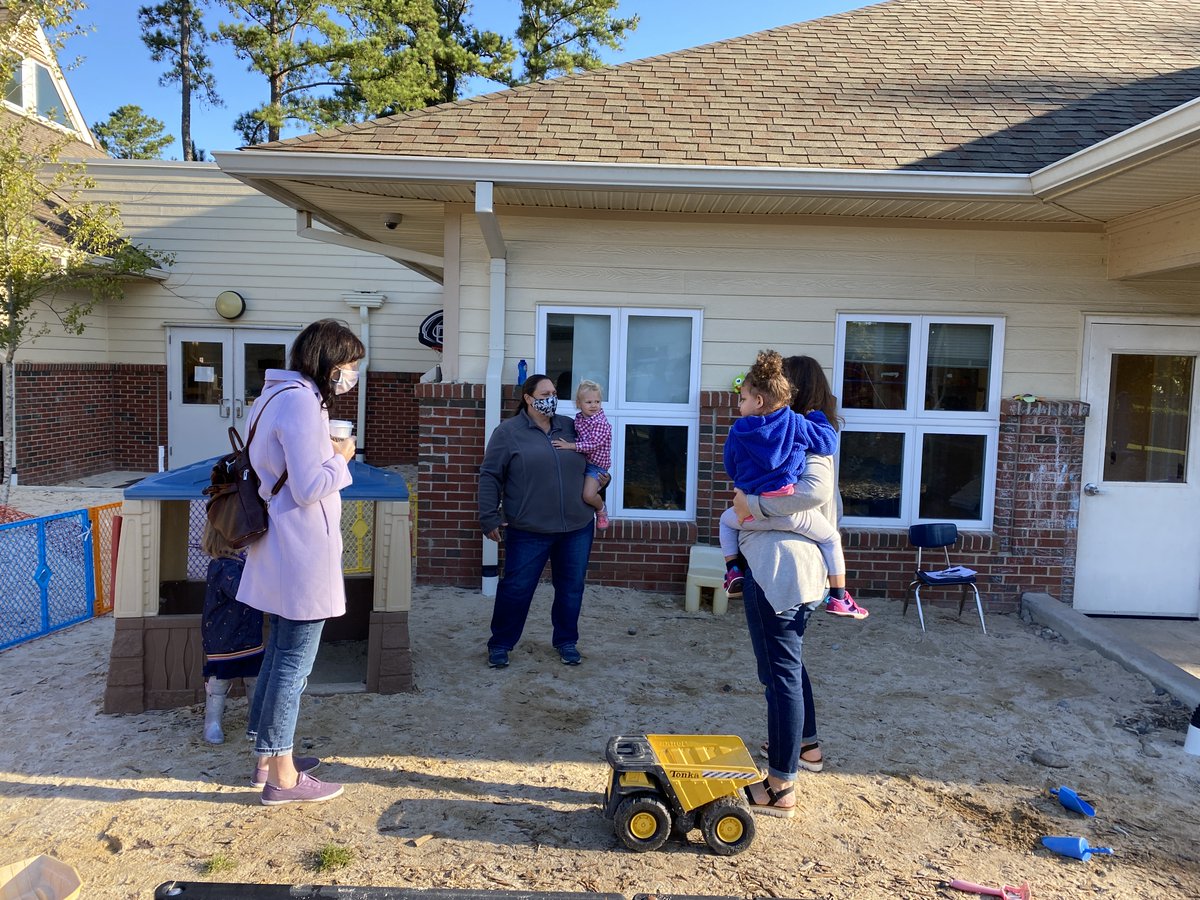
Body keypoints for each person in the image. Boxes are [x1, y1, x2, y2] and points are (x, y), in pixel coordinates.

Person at [237, 318, 363, 806]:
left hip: (279, 539)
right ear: (329, 363)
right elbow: (310, 487)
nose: (351, 374)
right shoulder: (303, 402)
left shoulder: (271, 395)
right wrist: (342, 457)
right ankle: (283, 777)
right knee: (295, 662)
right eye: (349, 364)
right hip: (302, 545)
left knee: (280, 651)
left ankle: (267, 758)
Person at [731, 354, 847, 816]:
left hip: (782, 571)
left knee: (779, 677)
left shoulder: (803, 440)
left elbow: (814, 494)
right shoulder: (798, 438)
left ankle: (780, 785)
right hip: (789, 568)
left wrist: (753, 506)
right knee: (788, 669)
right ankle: (805, 746)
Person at [720, 350, 867, 619]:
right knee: (832, 539)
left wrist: (750, 500)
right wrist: (818, 418)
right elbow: (828, 443)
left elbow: (730, 466)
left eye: (742, 399)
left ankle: (732, 571)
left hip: (754, 523)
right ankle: (839, 596)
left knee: (725, 521)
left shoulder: (739, 430)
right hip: (792, 521)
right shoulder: (798, 426)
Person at [479, 374, 600, 669]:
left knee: (571, 588)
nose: (552, 398)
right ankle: (501, 644)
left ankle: (566, 642)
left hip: (576, 526)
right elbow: (490, 475)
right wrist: (489, 516)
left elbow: (594, 458)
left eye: (554, 393)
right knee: (517, 589)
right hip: (529, 529)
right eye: (545, 394)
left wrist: (601, 483)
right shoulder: (508, 432)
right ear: (528, 398)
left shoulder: (571, 426)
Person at [199, 523, 261, 745]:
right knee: (220, 679)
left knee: (254, 676)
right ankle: (212, 722)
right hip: (224, 636)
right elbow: (238, 591)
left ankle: (255, 717)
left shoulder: (239, 563)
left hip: (248, 632)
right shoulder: (224, 567)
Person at [551, 379, 612, 529]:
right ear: (578, 403)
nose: (594, 405)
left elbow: (593, 444)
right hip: (584, 463)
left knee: (588, 495)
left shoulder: (600, 423)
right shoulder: (579, 419)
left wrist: (570, 446)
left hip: (596, 466)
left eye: (597, 401)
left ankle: (601, 509)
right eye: (589, 402)